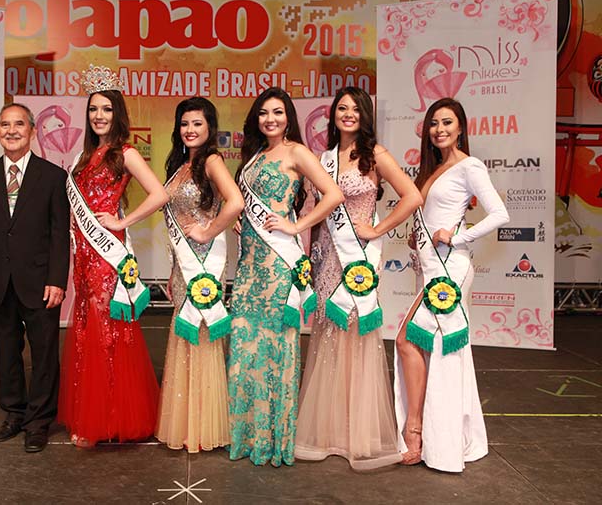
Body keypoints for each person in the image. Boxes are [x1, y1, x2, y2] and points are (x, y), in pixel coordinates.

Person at [295, 87, 422, 469]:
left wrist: (378, 228)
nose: (348, 114)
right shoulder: (324, 158)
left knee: (355, 335)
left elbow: (412, 196)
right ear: (333, 115)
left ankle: (357, 433)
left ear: (365, 115)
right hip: (327, 258)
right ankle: (328, 431)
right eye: (342, 108)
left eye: (355, 109)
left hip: (357, 262)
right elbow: (313, 210)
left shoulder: (375, 155)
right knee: (328, 336)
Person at [228, 87, 344, 467]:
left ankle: (274, 437)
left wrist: (297, 227)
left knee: (276, 346)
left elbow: (333, 194)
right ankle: (247, 435)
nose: (270, 119)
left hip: (278, 266)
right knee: (246, 344)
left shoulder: (297, 152)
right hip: (249, 265)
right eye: (263, 113)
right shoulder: (254, 155)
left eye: (277, 112)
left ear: (288, 117)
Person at [394, 97, 509, 472]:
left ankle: (418, 433)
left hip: (449, 269)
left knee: (411, 342)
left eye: (447, 122)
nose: (439, 129)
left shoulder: (469, 166)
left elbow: (500, 214)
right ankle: (437, 436)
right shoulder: (434, 168)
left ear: (460, 128)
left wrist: (457, 237)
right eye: (434, 123)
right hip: (429, 267)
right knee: (430, 348)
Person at [57, 65, 168, 447]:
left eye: (106, 109)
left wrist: (123, 220)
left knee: (107, 331)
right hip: (83, 255)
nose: (99, 115)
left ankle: (109, 418)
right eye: (93, 109)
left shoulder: (125, 153)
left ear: (117, 113)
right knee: (86, 328)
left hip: (106, 256)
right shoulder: (84, 155)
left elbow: (159, 194)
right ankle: (92, 412)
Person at [0, 103, 70, 453]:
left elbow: (59, 234)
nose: (12, 131)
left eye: (19, 124)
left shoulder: (52, 176)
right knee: (6, 351)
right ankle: (13, 413)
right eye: (5, 125)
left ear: (33, 131)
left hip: (41, 283)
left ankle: (39, 421)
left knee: (44, 354)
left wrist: (57, 280)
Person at [156, 97, 244, 452]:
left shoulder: (211, 161)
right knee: (186, 334)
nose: (190, 130)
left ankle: (203, 426)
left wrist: (208, 231)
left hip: (204, 267)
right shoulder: (180, 165)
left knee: (202, 335)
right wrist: (172, 269)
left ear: (210, 128)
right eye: (184, 123)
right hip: (183, 266)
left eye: (197, 123)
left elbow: (235, 202)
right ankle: (186, 420)